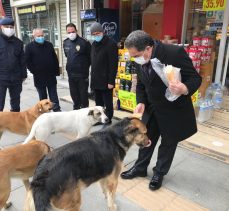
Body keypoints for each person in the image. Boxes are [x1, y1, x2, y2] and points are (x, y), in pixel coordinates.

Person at [120, 30, 202, 191]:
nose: (134, 58)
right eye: (132, 56)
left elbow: (195, 78)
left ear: (148, 48)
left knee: (168, 143)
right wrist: (141, 102)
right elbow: (142, 85)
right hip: (151, 107)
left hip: (173, 109)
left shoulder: (174, 53)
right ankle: (140, 168)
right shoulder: (139, 59)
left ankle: (159, 173)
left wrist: (184, 88)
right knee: (146, 139)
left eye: (136, 55)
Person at [25, 28, 61, 112]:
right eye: (38, 36)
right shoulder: (29, 47)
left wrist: (56, 71)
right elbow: (27, 61)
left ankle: (57, 111)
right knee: (42, 97)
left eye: (42, 35)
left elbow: (54, 58)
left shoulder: (49, 45)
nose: (41, 37)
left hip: (50, 75)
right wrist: (34, 71)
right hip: (39, 76)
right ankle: (44, 113)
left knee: (54, 96)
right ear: (34, 36)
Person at [90, 22, 118, 124]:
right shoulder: (93, 44)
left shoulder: (111, 44)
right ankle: (100, 118)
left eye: (97, 33)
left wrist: (111, 81)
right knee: (98, 102)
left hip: (106, 79)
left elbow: (113, 64)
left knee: (107, 102)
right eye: (93, 34)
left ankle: (108, 118)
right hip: (96, 78)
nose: (96, 36)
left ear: (102, 32)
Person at [0, 17, 27, 112]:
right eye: (7, 26)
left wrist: (24, 75)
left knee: (16, 103)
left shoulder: (18, 42)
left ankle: (14, 124)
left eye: (11, 27)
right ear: (1, 27)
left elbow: (22, 61)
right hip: (1, 77)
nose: (9, 29)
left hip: (16, 77)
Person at [63, 23, 91, 110]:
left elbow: (90, 57)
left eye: (73, 31)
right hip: (71, 75)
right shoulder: (65, 42)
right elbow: (67, 56)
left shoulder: (84, 42)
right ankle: (76, 111)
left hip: (82, 75)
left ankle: (85, 112)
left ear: (76, 31)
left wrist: (84, 67)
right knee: (74, 95)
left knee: (83, 96)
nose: (71, 34)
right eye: (69, 32)